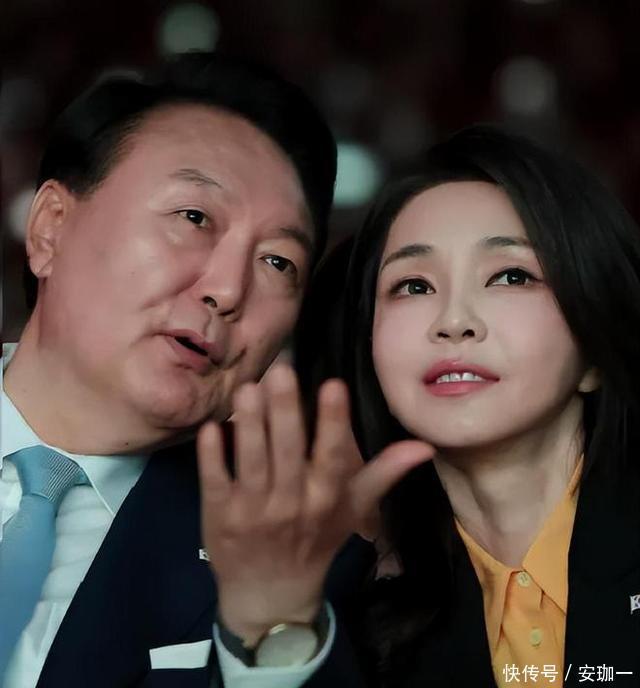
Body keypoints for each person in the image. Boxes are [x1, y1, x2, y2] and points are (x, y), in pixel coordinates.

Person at [0, 52, 404, 688]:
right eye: (194, 218)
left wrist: (270, 640)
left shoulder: (289, 560)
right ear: (51, 228)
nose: (228, 289)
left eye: (278, 263)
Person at [211, 124, 640, 687]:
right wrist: (276, 632)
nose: (454, 321)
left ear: (594, 352)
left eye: (511, 276)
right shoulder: (358, 622)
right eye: (413, 286)